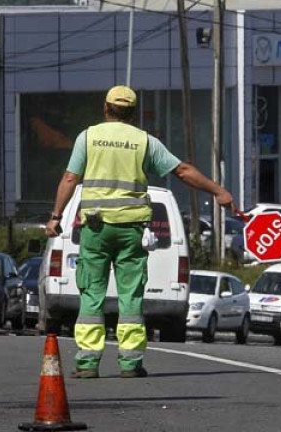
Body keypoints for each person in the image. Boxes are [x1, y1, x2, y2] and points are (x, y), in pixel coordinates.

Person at [45, 85, 236, 379]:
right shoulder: (144, 141)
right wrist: (218, 191)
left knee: (91, 294)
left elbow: (70, 178)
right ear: (133, 113)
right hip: (131, 230)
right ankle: (130, 363)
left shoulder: (89, 136)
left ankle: (87, 363)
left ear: (105, 107)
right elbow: (182, 170)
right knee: (130, 297)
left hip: (95, 228)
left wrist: (56, 216)